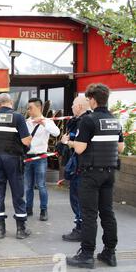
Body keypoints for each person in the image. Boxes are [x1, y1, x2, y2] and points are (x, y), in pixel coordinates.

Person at [66, 83, 125, 269]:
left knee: (89, 214)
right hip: (109, 173)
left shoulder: (88, 121)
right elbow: (121, 148)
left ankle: (86, 255)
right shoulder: (115, 120)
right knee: (108, 213)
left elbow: (81, 148)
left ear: (92, 99)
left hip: (91, 174)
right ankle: (110, 252)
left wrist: (69, 142)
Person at [0, 93, 32, 239]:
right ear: (10, 102)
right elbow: (26, 141)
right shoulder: (18, 117)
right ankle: (21, 229)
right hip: (13, 158)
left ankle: (0, 228)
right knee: (17, 192)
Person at [60, 96, 91, 241]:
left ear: (79, 106)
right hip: (91, 167)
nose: (71, 107)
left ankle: (80, 230)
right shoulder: (90, 120)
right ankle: (84, 229)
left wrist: (67, 142)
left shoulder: (82, 122)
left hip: (80, 166)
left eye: (73, 104)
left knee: (77, 198)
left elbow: (79, 146)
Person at [24, 98, 60, 221]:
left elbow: (56, 133)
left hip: (40, 157)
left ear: (39, 108)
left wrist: (43, 123)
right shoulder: (26, 122)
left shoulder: (47, 121)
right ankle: (28, 208)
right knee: (28, 186)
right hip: (28, 157)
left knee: (41, 185)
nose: (29, 110)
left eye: (31, 108)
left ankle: (43, 210)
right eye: (28, 108)